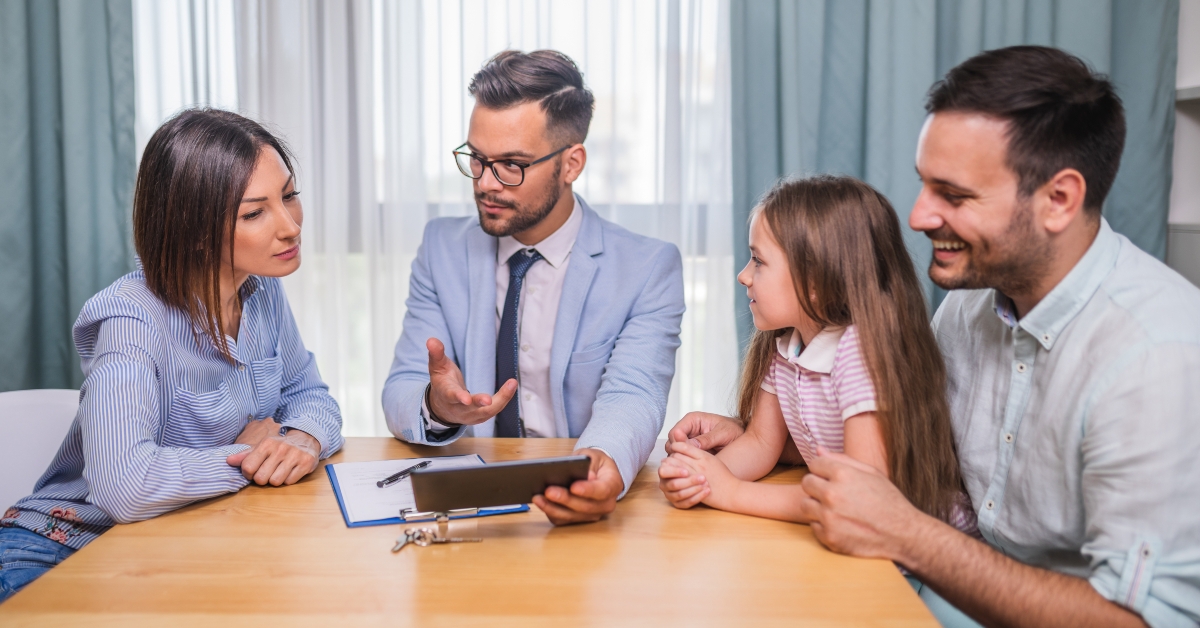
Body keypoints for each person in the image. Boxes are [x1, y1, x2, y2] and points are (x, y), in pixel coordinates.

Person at [665, 46, 1200, 627]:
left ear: (1058, 200)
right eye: (924, 186)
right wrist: (753, 434)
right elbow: (885, 439)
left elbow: (1143, 621)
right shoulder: (965, 310)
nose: (918, 217)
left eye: (955, 194)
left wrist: (911, 534)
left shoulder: (1158, 355)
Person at [0, 109, 344, 602]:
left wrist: (302, 439)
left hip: (174, 541)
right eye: (255, 212)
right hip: (59, 551)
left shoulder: (261, 288)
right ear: (195, 229)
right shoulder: (130, 320)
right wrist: (249, 456)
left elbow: (311, 395)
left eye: (289, 195)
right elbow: (125, 485)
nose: (290, 226)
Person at [381, 50, 685, 526]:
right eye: (477, 160)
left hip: (573, 497)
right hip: (468, 506)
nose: (485, 183)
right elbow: (402, 387)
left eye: (511, 165)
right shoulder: (441, 248)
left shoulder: (647, 268)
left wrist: (599, 465)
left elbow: (634, 392)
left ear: (571, 164)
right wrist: (436, 407)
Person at [658, 176, 977, 622]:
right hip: (860, 543)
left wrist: (728, 491)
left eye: (758, 261)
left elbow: (855, 500)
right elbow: (761, 444)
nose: (743, 275)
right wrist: (700, 475)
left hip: (918, 556)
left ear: (814, 282)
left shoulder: (861, 352)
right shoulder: (785, 344)